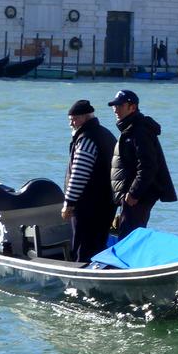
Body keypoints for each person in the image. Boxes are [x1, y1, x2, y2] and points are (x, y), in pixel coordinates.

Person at [108, 89, 177, 239]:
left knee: (129, 236)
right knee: (128, 234)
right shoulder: (130, 128)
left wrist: (134, 193)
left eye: (120, 105)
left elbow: (148, 166)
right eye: (114, 106)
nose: (115, 109)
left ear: (132, 107)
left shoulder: (139, 131)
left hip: (138, 196)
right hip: (131, 195)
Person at [61, 99, 118, 262]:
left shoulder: (87, 139)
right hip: (107, 202)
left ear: (86, 117)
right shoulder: (105, 134)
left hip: (89, 205)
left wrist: (69, 203)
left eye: (74, 119)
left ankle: (81, 273)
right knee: (98, 243)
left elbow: (79, 174)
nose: (71, 123)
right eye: (70, 119)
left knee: (83, 246)